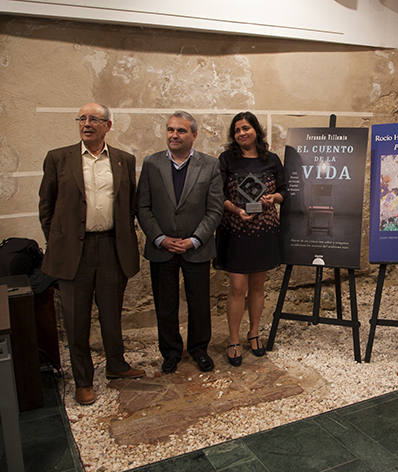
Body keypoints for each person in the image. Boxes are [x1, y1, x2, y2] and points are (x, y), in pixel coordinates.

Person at [39, 103, 144, 405]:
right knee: (77, 320)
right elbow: (46, 207)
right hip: (75, 252)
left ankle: (116, 364)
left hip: (111, 247)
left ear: (107, 126)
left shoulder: (124, 160)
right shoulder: (59, 158)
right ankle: (83, 380)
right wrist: (60, 241)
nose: (86, 123)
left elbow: (130, 204)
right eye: (82, 118)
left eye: (94, 119)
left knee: (112, 313)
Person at [137, 111, 224, 374]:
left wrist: (194, 240)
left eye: (181, 130)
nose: (174, 135)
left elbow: (215, 210)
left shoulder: (209, 165)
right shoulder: (151, 164)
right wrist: (161, 239)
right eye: (170, 130)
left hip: (196, 249)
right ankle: (171, 352)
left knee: (199, 303)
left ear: (194, 135)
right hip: (161, 248)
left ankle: (199, 349)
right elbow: (143, 207)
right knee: (165, 304)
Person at [216, 112, 286, 365]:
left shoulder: (272, 160)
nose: (242, 133)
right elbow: (216, 194)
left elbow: (284, 190)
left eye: (246, 128)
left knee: (258, 286)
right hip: (235, 230)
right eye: (237, 130)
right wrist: (235, 209)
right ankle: (233, 338)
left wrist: (272, 199)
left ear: (256, 130)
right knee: (237, 287)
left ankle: (254, 333)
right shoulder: (226, 160)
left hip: (264, 230)